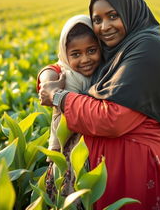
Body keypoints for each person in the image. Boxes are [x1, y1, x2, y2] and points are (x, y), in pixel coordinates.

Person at [39, 0, 160, 210]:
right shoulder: (119, 49)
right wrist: (48, 76)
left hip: (138, 170)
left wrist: (59, 97)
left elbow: (113, 119)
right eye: (97, 20)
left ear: (130, 11)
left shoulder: (148, 49)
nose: (104, 26)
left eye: (113, 15)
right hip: (111, 173)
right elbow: (67, 66)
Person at [37, 14, 101, 204]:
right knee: (66, 197)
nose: (85, 59)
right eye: (76, 54)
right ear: (65, 54)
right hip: (65, 153)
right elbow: (49, 73)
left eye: (91, 50)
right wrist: (49, 82)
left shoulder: (105, 72)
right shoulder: (63, 75)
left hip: (95, 152)